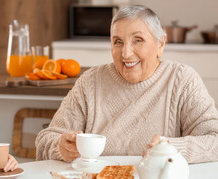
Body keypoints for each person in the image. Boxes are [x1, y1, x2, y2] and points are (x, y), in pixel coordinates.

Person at [35, 5, 218, 164]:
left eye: (138, 40)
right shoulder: (90, 81)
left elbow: (214, 141)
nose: (126, 53)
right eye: (118, 42)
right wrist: (60, 147)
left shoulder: (183, 80)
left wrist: (172, 148)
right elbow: (45, 140)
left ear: (160, 44)